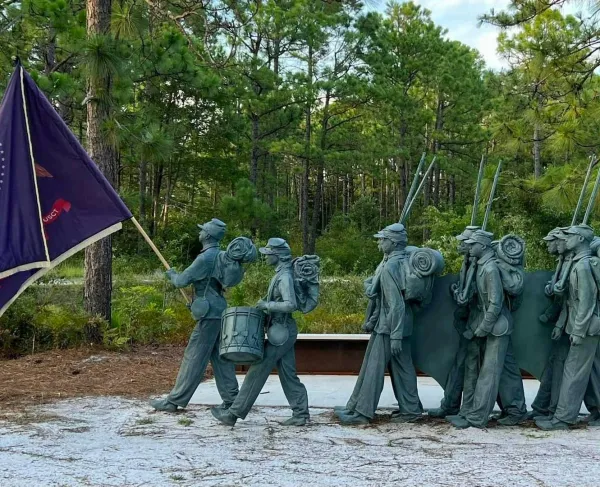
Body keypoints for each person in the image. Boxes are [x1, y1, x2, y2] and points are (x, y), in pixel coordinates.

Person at [211, 238, 312, 427]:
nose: (265, 257)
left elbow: (291, 304)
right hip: (280, 330)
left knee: (257, 371)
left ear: (277, 255)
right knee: (288, 374)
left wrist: (267, 305)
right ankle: (300, 413)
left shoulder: (285, 277)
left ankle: (233, 414)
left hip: (281, 331)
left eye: (268, 254)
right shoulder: (281, 274)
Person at [335, 223, 423, 425]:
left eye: (383, 240)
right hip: (400, 324)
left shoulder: (390, 266)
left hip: (389, 326)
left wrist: (395, 335)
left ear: (393, 243)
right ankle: (411, 410)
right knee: (403, 368)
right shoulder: (398, 261)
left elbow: (396, 304)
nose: (379, 243)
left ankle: (362, 413)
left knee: (373, 368)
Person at [150, 219, 241, 412]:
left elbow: (182, 281)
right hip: (219, 310)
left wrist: (172, 274)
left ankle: (174, 400)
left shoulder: (205, 258)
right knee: (221, 357)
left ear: (207, 235)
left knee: (194, 357)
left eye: (202, 231)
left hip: (209, 314)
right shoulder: (221, 255)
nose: (199, 233)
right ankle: (233, 400)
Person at [448, 230, 525, 428]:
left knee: (489, 373)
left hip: (496, 327)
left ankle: (477, 417)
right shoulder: (481, 265)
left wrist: (483, 327)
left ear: (482, 246)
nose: (469, 247)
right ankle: (516, 411)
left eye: (473, 244)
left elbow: (495, 303)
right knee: (507, 371)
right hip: (492, 325)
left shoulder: (490, 268)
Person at [537, 225, 600, 430]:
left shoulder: (583, 266)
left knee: (574, 372)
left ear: (581, 239)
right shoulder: (576, 263)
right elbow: (570, 302)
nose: (566, 239)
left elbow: (586, 302)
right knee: (589, 372)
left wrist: (579, 330)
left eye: (570, 236)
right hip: (578, 324)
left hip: (586, 327)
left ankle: (563, 418)